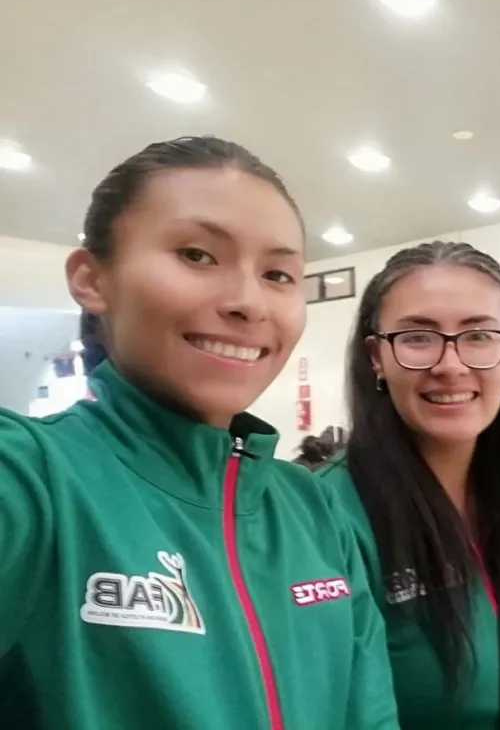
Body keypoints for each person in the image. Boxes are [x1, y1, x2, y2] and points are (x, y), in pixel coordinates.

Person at [0, 136, 399, 729]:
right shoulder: (35, 479)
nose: (247, 302)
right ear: (92, 279)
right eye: (196, 254)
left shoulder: (313, 509)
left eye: (278, 273)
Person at [317, 241, 500, 730]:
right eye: (418, 336)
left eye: (479, 335)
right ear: (377, 357)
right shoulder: (329, 512)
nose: (451, 365)